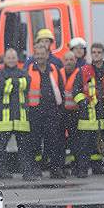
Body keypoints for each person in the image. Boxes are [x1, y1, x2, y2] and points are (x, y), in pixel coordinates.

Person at [73, 43, 104, 177]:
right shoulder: (83, 71)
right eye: (94, 52)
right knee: (84, 146)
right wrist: (83, 102)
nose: (96, 55)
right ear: (91, 54)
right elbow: (76, 90)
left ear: (103, 54)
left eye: (99, 52)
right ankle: (82, 170)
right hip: (89, 114)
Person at [25, 43, 65, 179]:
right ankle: (36, 168)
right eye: (38, 54)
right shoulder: (29, 70)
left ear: (47, 55)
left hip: (51, 112)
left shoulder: (54, 69)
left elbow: (61, 89)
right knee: (35, 142)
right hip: (34, 112)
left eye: (42, 54)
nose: (40, 56)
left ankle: (54, 168)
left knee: (53, 141)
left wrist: (59, 110)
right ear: (34, 55)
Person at [0, 48, 30, 179]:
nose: (11, 60)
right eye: (9, 57)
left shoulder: (23, 72)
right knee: (0, 149)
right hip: (4, 118)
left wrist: (9, 82)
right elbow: (0, 86)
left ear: (17, 59)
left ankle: (27, 173)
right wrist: (17, 82)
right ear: (4, 59)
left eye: (13, 57)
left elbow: (26, 83)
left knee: (25, 148)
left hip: (20, 118)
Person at [58, 51, 82, 171]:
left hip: (75, 113)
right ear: (63, 61)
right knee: (60, 141)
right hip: (61, 112)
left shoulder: (80, 73)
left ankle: (76, 166)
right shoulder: (58, 73)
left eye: (71, 60)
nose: (68, 62)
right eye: (66, 60)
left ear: (75, 61)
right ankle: (61, 166)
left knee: (75, 141)